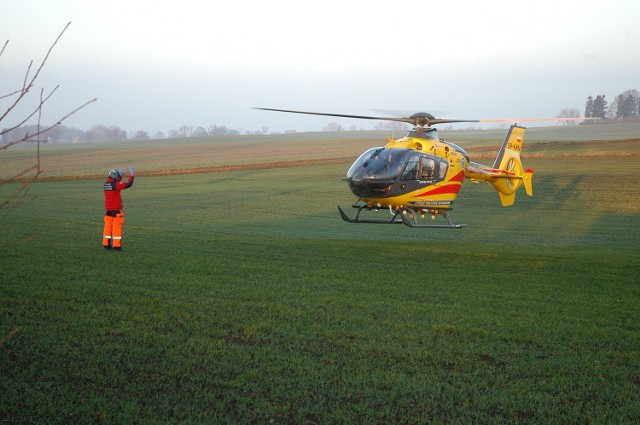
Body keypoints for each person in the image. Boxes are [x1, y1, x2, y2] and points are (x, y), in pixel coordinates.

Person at [102, 167, 134, 251]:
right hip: (116, 211)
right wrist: (132, 175)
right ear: (115, 176)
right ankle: (117, 246)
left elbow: (115, 182)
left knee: (107, 228)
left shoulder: (106, 184)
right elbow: (129, 184)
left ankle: (106, 245)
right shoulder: (116, 185)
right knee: (117, 228)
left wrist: (120, 175)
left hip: (108, 211)